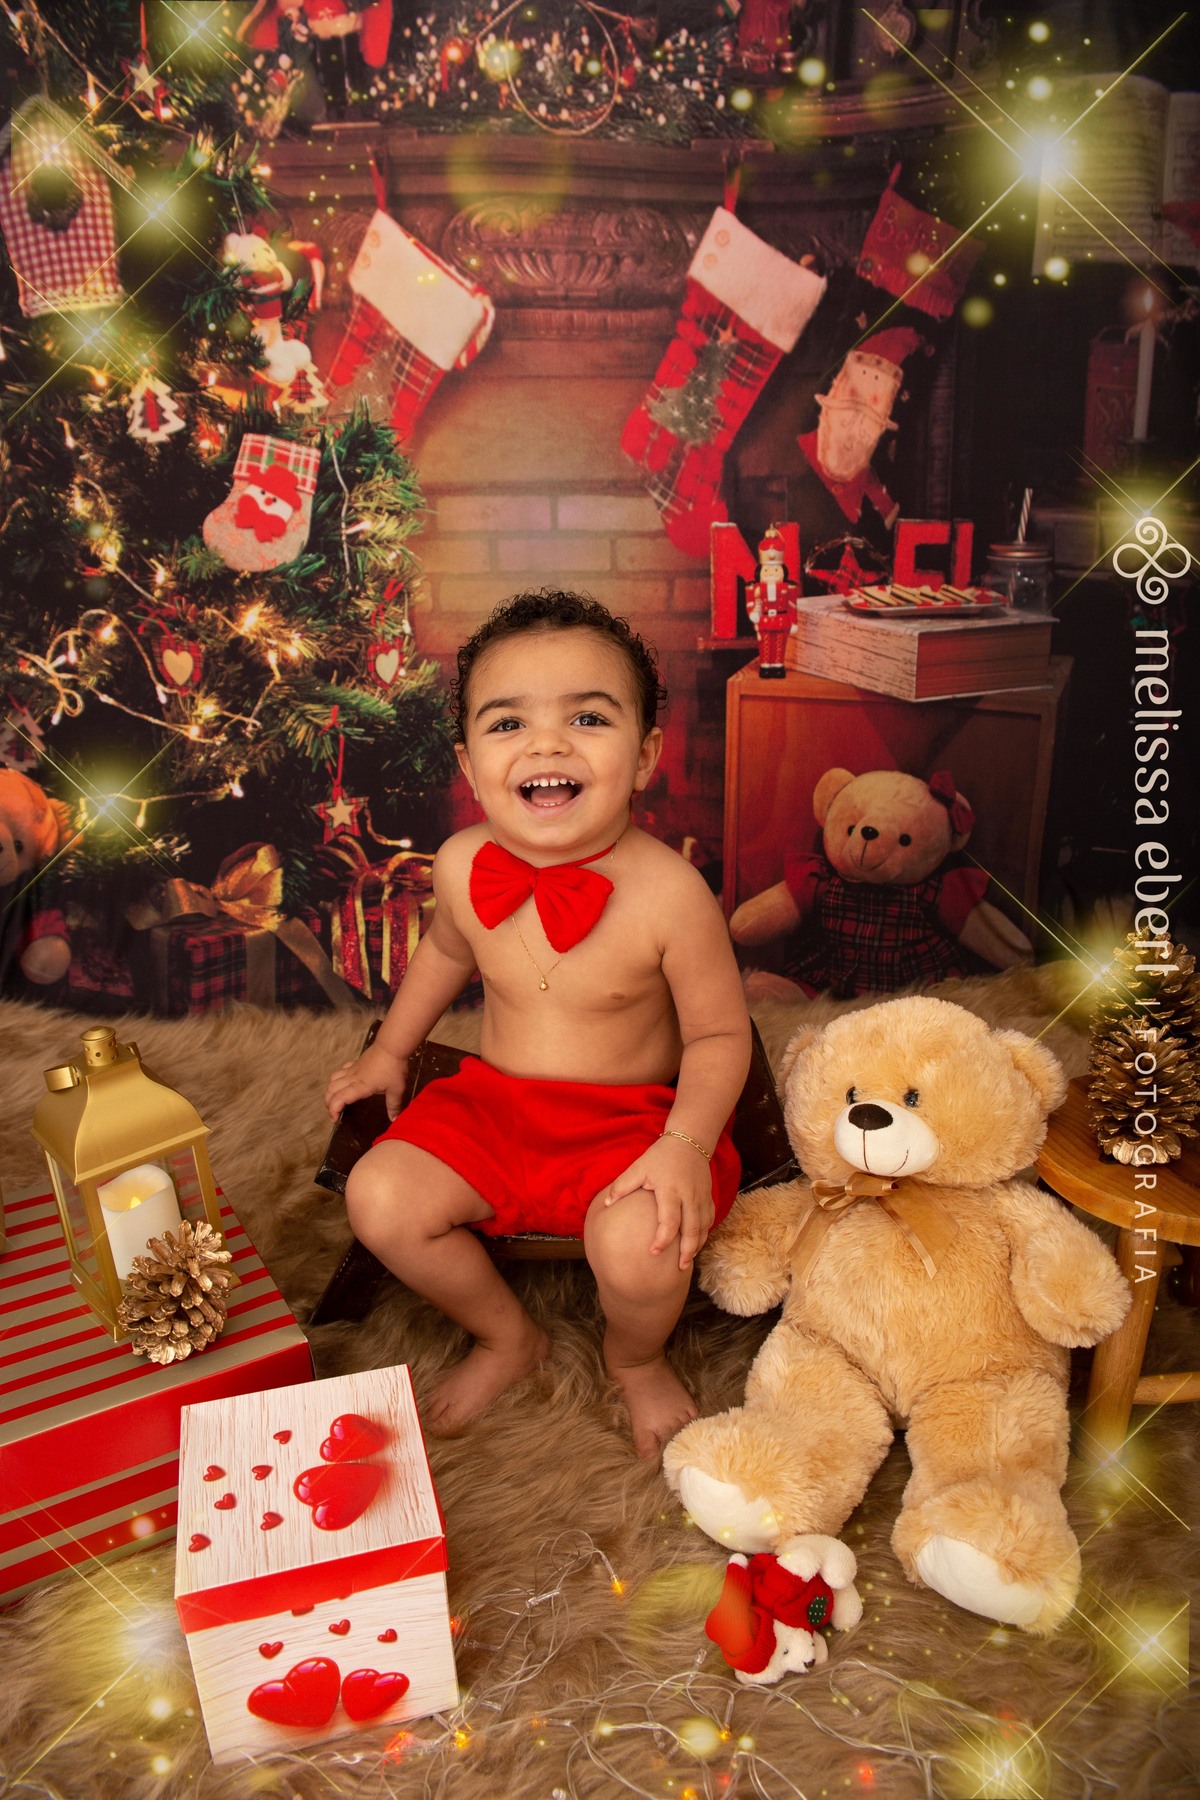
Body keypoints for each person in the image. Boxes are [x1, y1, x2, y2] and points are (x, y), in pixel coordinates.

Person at [324, 590, 751, 1457]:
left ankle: (634, 1359)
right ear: (470, 763)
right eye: (508, 723)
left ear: (645, 755)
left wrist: (686, 1145)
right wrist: (392, 1052)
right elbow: (444, 955)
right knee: (379, 1196)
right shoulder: (461, 863)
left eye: (587, 718)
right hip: (494, 1107)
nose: (546, 745)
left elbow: (719, 1036)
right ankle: (508, 1336)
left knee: (645, 1246)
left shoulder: (671, 893)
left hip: (630, 1124)